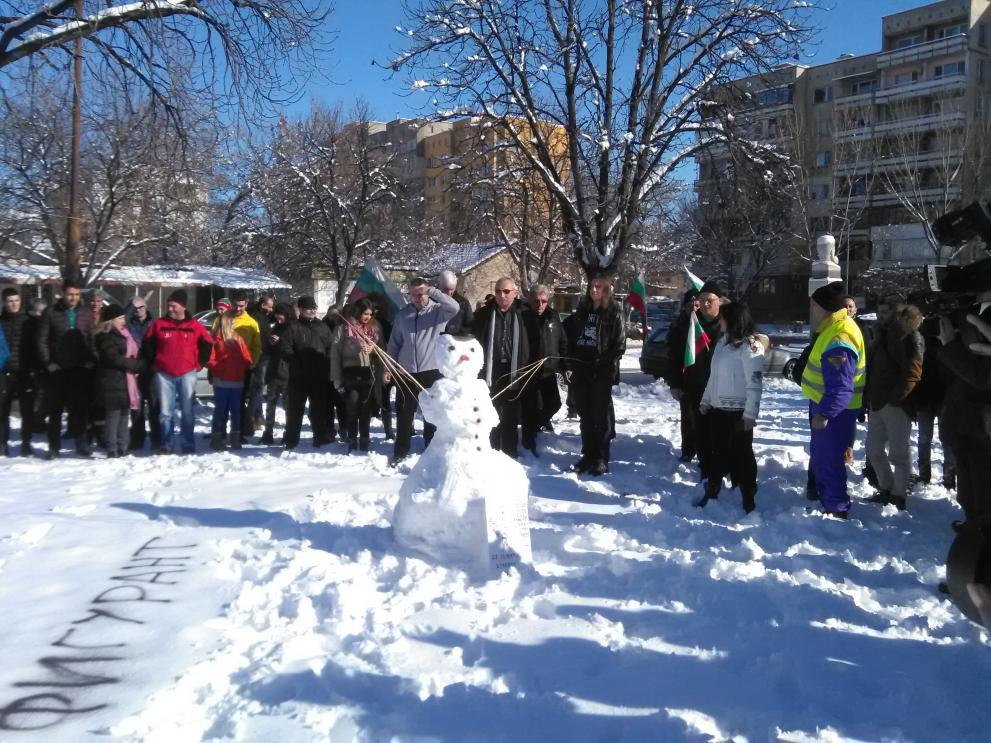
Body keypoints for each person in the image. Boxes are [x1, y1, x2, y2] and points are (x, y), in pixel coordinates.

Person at [801, 281, 866, 519]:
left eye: (814, 305)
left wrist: (825, 413)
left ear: (824, 307)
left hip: (835, 412)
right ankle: (827, 500)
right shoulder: (833, 328)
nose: (812, 310)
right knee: (822, 457)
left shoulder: (840, 335)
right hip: (828, 407)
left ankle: (836, 509)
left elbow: (841, 386)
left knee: (829, 460)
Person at [695, 301, 765, 513]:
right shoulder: (722, 342)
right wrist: (706, 400)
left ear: (733, 320)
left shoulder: (750, 347)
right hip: (718, 411)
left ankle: (748, 495)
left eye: (723, 318)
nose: (720, 322)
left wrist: (750, 414)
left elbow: (755, 383)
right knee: (718, 452)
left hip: (739, 414)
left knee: (743, 455)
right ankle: (713, 488)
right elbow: (714, 377)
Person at [386, 277, 460, 463]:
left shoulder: (438, 311)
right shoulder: (403, 315)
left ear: (427, 293)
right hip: (406, 371)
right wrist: (390, 367)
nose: (418, 298)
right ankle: (401, 450)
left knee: (431, 413)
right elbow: (394, 343)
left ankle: (430, 445)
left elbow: (455, 307)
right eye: (414, 294)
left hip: (432, 369)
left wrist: (433, 291)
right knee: (404, 412)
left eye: (421, 293)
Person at [863, 303, 923, 510]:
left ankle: (899, 495)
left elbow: (913, 372)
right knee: (873, 450)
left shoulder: (910, 336)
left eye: (886, 311)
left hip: (896, 403)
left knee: (899, 452)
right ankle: (887, 488)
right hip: (876, 401)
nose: (881, 315)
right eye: (879, 311)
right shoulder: (880, 335)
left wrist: (897, 398)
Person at [564, 274, 626, 475]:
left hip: (602, 372)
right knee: (585, 415)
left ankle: (601, 457)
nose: (594, 290)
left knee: (601, 416)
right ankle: (588, 455)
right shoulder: (583, 311)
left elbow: (620, 345)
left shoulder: (614, 312)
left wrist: (602, 362)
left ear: (606, 289)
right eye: (592, 286)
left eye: (598, 286)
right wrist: (570, 362)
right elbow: (572, 338)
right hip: (581, 370)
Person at [936, 307, 991, 524]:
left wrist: (951, 347)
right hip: (963, 427)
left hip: (980, 431)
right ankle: (973, 526)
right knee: (968, 492)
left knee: (982, 489)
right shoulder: (970, 351)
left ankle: (982, 531)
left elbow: (982, 380)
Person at [142, 289, 213, 454]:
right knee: (165, 412)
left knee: (187, 411)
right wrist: (153, 363)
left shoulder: (195, 326)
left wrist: (199, 364)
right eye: (169, 306)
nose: (170, 309)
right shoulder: (159, 324)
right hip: (164, 374)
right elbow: (147, 344)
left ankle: (187, 442)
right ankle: (166, 443)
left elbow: (207, 344)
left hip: (187, 373)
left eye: (173, 306)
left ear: (183, 306)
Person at [666, 282, 723, 471]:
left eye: (709, 300)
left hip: (722, 388)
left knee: (719, 429)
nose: (704, 304)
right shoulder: (688, 325)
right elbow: (675, 356)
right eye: (701, 300)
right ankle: (695, 456)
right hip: (694, 384)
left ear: (720, 301)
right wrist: (675, 383)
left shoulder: (728, 324)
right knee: (694, 423)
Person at [36, 280, 96, 458]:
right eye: (70, 294)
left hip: (80, 368)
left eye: (77, 294)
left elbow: (91, 339)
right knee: (55, 410)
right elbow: (41, 340)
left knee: (80, 410)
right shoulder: (51, 312)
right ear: (62, 293)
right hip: (58, 369)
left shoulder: (86, 313)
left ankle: (81, 442)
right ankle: (54, 447)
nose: (73, 298)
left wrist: (92, 360)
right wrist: (48, 363)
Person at [472, 277, 531, 458]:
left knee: (511, 414)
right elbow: (473, 339)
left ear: (515, 293)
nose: (501, 295)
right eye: (498, 291)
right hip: (491, 370)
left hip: (514, 369)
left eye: (506, 291)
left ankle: (510, 451)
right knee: (491, 411)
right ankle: (492, 449)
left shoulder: (525, 314)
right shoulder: (484, 314)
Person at [331, 298, 384, 453]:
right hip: (350, 373)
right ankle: (352, 438)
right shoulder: (343, 328)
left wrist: (373, 349)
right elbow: (335, 355)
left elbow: (383, 350)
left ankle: (365, 438)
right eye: (365, 313)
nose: (368, 317)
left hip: (368, 372)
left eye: (370, 314)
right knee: (353, 406)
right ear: (358, 311)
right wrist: (336, 378)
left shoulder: (374, 327)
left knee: (366, 408)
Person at [281, 295, 333, 450]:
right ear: (301, 309)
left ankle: (320, 437)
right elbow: (285, 348)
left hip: (319, 375)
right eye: (309, 308)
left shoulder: (323, 327)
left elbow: (331, 347)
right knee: (295, 410)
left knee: (319, 409)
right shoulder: (293, 327)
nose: (312, 311)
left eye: (314, 308)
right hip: (298, 377)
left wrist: (326, 362)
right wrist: (297, 362)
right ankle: (291, 440)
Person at [93, 304, 144, 458]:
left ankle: (123, 445)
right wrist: (134, 365)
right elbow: (113, 358)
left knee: (124, 414)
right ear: (111, 320)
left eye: (123, 317)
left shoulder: (125, 333)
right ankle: (112, 447)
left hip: (126, 380)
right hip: (112, 380)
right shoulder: (105, 335)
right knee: (113, 415)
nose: (123, 321)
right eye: (120, 318)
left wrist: (136, 363)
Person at [521, 283, 567, 454]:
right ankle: (528, 441)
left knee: (554, 403)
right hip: (529, 370)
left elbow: (562, 341)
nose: (540, 305)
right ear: (530, 300)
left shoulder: (553, 316)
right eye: (536, 301)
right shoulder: (523, 316)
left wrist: (565, 365)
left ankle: (538, 424)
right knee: (530, 407)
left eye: (543, 301)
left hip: (548, 370)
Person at [912, 322, 955, 489]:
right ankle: (946, 477)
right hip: (934, 399)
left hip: (934, 399)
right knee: (941, 439)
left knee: (927, 439)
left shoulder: (919, 348)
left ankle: (928, 475)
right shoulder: (947, 347)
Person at [663, 289, 702, 461]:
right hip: (685, 380)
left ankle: (705, 451)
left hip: (706, 380)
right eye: (690, 305)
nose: (694, 308)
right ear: (685, 307)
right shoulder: (678, 326)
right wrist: (674, 384)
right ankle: (688, 451)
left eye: (697, 304)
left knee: (705, 419)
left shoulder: (706, 324)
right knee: (688, 418)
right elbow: (672, 358)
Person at [207, 311, 255, 451]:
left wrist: (243, 364)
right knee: (220, 411)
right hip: (221, 381)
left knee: (236, 411)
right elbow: (210, 360)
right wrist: (222, 366)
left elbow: (247, 358)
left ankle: (235, 438)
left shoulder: (239, 340)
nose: (235, 324)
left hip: (237, 381)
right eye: (233, 322)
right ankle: (216, 438)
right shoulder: (216, 340)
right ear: (226, 323)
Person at [0, 288, 37, 456]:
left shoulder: (29, 322)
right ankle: (2, 444)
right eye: (10, 301)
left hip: (25, 372)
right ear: (4, 302)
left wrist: (34, 368)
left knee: (27, 411)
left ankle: (26, 444)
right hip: (4, 373)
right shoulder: (1, 322)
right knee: (2, 411)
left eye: (16, 300)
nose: (13, 304)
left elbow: (36, 346)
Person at [124, 296, 160, 451]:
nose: (138, 310)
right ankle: (137, 438)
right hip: (135, 369)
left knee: (154, 406)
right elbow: (123, 315)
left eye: (141, 307)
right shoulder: (129, 323)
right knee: (136, 408)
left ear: (146, 306)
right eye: (135, 308)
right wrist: (131, 305)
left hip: (151, 370)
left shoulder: (155, 323)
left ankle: (156, 438)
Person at [260, 302, 295, 445]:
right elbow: (267, 350)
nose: (279, 321)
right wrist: (270, 343)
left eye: (281, 318)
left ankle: (289, 432)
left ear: (287, 315)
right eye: (277, 319)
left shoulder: (294, 328)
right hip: (274, 371)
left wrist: (281, 343)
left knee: (288, 406)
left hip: (288, 372)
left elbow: (294, 349)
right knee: (270, 404)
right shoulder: (275, 328)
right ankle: (268, 432)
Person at [247, 294, 275, 431]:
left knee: (257, 387)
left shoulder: (263, 315)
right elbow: (261, 337)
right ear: (263, 305)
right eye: (270, 307)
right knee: (258, 388)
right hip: (260, 355)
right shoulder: (257, 317)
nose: (271, 310)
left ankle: (258, 415)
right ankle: (249, 417)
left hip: (260, 355)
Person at [437, 269, 474, 335]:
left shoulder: (463, 303)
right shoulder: (431, 301)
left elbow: (470, 325)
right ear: (439, 286)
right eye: (445, 289)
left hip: (454, 339)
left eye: (452, 289)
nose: (449, 293)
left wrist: (459, 333)